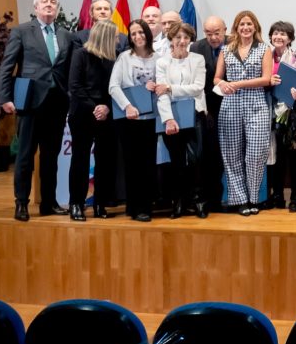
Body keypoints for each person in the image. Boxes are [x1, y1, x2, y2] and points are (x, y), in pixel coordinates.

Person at [0, 0, 74, 221]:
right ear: (36, 8)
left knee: (51, 156)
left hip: (57, 103)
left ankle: (48, 203)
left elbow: (68, 68)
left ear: (57, 9)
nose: (49, 5)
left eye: (53, 2)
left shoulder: (65, 35)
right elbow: (7, 66)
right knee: (25, 155)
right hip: (30, 103)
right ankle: (21, 203)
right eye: (45, 2)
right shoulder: (22, 31)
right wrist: (5, 98)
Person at [214, 10, 274, 216]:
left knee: (256, 154)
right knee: (232, 155)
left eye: (249, 24)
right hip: (230, 106)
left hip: (256, 105)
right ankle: (239, 200)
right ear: (236, 28)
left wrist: (237, 83)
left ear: (255, 27)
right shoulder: (226, 50)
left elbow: (267, 79)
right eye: (242, 24)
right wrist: (222, 83)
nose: (246, 28)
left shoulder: (265, 49)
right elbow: (216, 78)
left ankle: (254, 197)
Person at [66, 21, 119, 221]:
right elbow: (75, 86)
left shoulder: (114, 60)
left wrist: (105, 107)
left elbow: (115, 87)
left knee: (105, 160)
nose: (117, 40)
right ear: (105, 37)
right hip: (82, 113)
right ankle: (76, 203)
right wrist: (95, 107)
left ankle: (100, 203)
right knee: (80, 159)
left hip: (106, 114)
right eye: (114, 37)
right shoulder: (80, 55)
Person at [155, 22, 207, 219]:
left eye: (186, 37)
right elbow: (160, 94)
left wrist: (170, 88)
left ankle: (199, 200)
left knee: (196, 160)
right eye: (178, 38)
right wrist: (168, 119)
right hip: (172, 117)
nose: (182, 41)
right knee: (177, 161)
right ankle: (179, 201)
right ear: (171, 39)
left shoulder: (198, 59)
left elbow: (198, 87)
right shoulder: (162, 62)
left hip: (195, 114)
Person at [109, 19, 160, 222]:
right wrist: (127, 106)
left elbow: (165, 85)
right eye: (133, 34)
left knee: (148, 164)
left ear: (148, 34)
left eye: (141, 32)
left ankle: (144, 206)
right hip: (128, 119)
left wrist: (156, 86)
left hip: (150, 119)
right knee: (132, 164)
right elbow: (113, 87)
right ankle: (135, 206)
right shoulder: (124, 58)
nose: (138, 36)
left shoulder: (159, 58)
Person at [267, 21, 296, 212]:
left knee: (295, 157)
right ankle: (276, 195)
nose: (279, 37)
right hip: (270, 113)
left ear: (290, 38)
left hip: (294, 115)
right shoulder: (265, 58)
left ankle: (294, 196)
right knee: (276, 156)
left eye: (283, 34)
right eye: (275, 33)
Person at [190, 15, 226, 215]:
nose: (213, 37)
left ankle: (222, 198)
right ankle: (208, 199)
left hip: (230, 107)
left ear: (225, 30)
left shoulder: (234, 45)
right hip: (205, 110)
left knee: (226, 155)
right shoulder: (196, 48)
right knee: (207, 156)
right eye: (208, 33)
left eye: (217, 33)